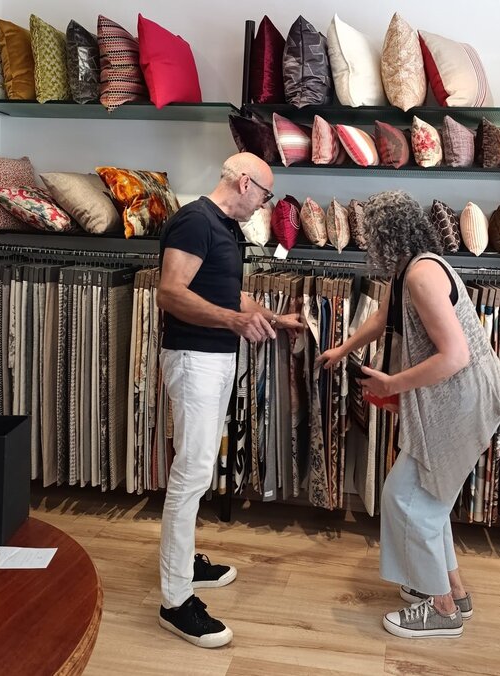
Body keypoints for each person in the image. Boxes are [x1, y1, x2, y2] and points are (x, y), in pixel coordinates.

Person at [318, 190, 500, 639]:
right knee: (427, 496)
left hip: (464, 399)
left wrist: (391, 384)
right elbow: (383, 318)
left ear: (385, 234)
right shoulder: (410, 269)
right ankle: (453, 593)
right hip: (455, 398)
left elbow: (455, 356)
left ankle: (441, 609)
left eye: (370, 233)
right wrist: (344, 349)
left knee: (408, 500)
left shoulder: (422, 275)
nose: (366, 242)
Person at [156, 153, 303, 648]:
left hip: (216, 359)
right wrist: (234, 323)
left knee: (199, 471)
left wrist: (274, 318)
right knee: (191, 474)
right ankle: (175, 600)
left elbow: (231, 296)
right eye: (264, 194)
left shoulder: (224, 229)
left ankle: (184, 565)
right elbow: (169, 293)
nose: (264, 205)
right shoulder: (195, 221)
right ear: (244, 182)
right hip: (194, 359)